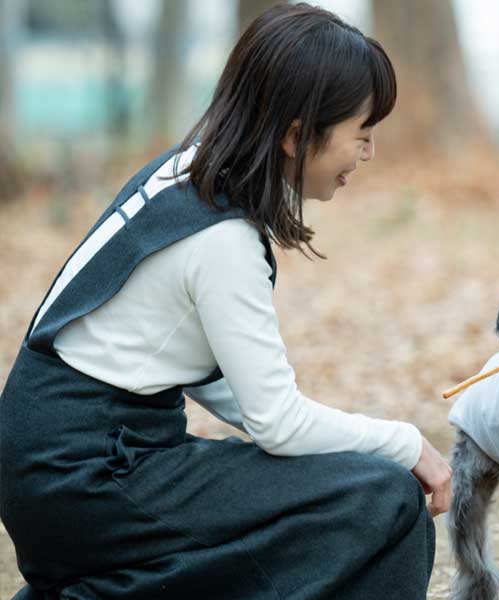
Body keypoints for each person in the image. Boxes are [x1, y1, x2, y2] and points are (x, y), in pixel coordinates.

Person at [0, 4, 451, 599]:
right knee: (384, 493)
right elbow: (279, 425)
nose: (366, 155)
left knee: (338, 486)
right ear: (296, 135)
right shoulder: (222, 239)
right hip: (91, 476)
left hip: (54, 463)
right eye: (361, 135)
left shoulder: (186, 175)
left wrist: (319, 448)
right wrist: (403, 440)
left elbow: (207, 377)